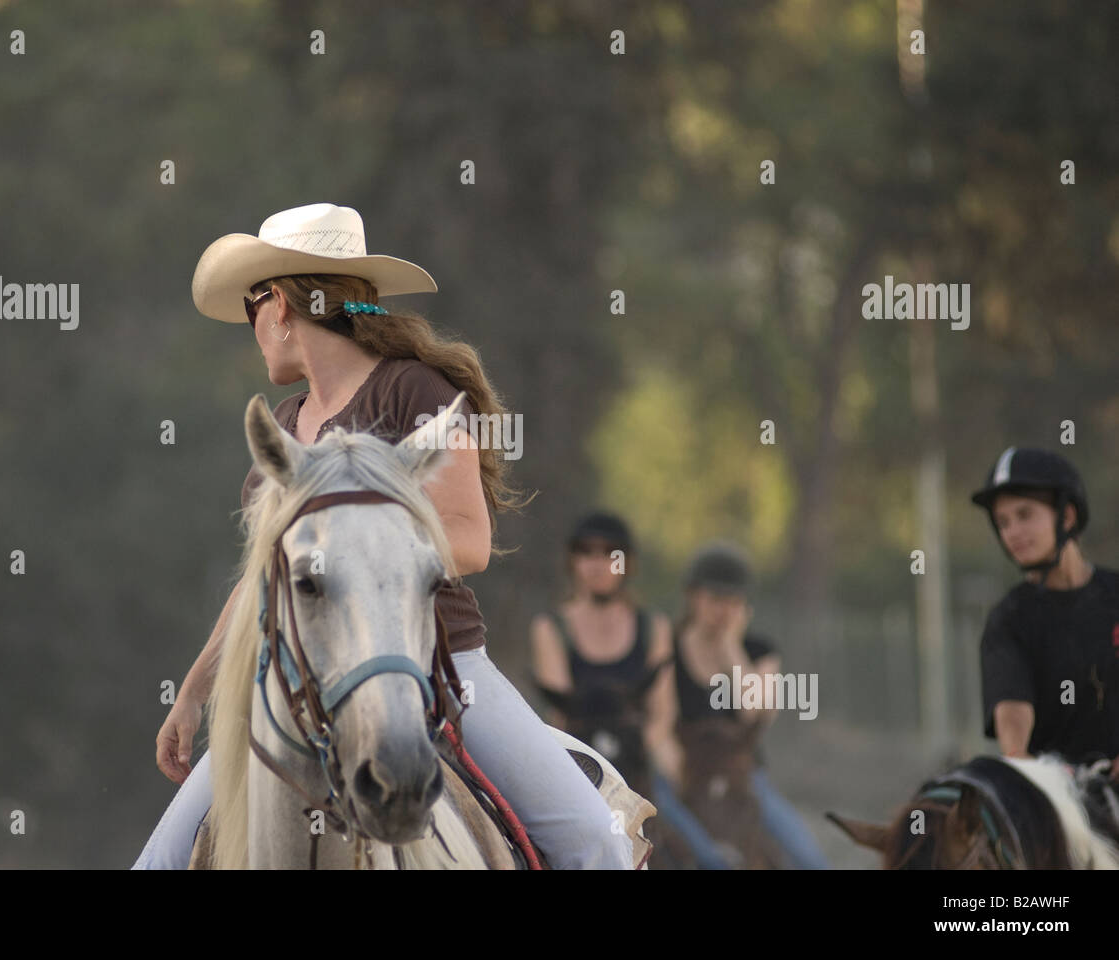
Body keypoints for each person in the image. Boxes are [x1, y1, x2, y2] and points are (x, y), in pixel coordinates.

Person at [132, 202, 632, 869]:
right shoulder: (282, 425)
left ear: (278, 305)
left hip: (441, 667)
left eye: (251, 310)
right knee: (158, 864)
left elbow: (471, 539)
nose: (251, 331)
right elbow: (265, 578)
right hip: (293, 685)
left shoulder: (414, 390)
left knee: (594, 842)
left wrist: (353, 555)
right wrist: (194, 692)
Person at [643, 541, 829, 869]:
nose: (723, 610)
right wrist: (681, 773)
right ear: (693, 596)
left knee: (809, 859)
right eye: (715, 599)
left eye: (733, 601)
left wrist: (730, 647)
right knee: (674, 830)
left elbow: (755, 713)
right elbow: (660, 721)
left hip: (742, 774)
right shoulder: (668, 646)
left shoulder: (760, 651)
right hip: (682, 769)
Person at [971, 446, 1119, 776]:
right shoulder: (1008, 620)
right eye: (1003, 522)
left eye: (1024, 515)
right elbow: (1012, 710)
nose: (1012, 532)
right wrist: (1021, 759)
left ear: (1066, 516)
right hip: (1059, 798)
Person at [529, 511, 672, 800]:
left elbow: (663, 713)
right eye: (586, 552)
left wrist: (631, 753)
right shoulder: (550, 627)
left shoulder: (653, 627)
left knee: (690, 840)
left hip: (639, 762)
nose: (597, 564)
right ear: (572, 561)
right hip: (579, 763)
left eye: (610, 553)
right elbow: (560, 715)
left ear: (627, 564)